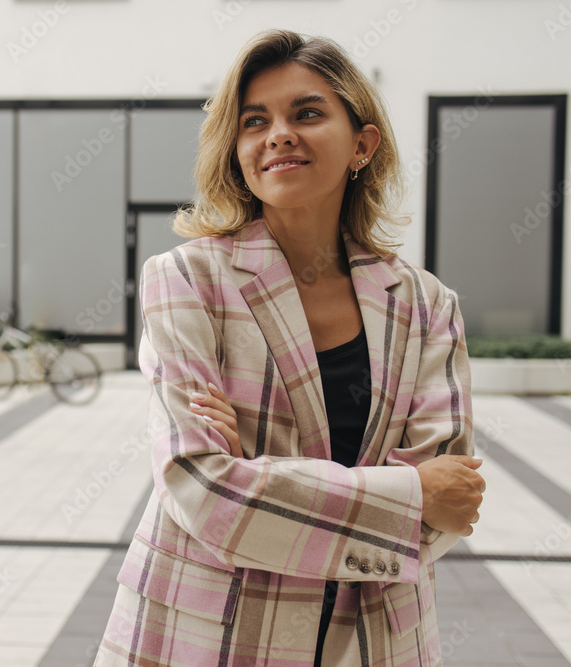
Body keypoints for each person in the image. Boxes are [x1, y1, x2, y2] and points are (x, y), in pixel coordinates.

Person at [94, 28, 485, 667]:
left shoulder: (425, 303)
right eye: (255, 121)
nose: (279, 133)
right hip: (208, 633)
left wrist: (257, 466)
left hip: (378, 638)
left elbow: (452, 502)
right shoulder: (186, 279)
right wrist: (406, 492)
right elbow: (200, 487)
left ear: (362, 144)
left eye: (306, 113)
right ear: (237, 149)